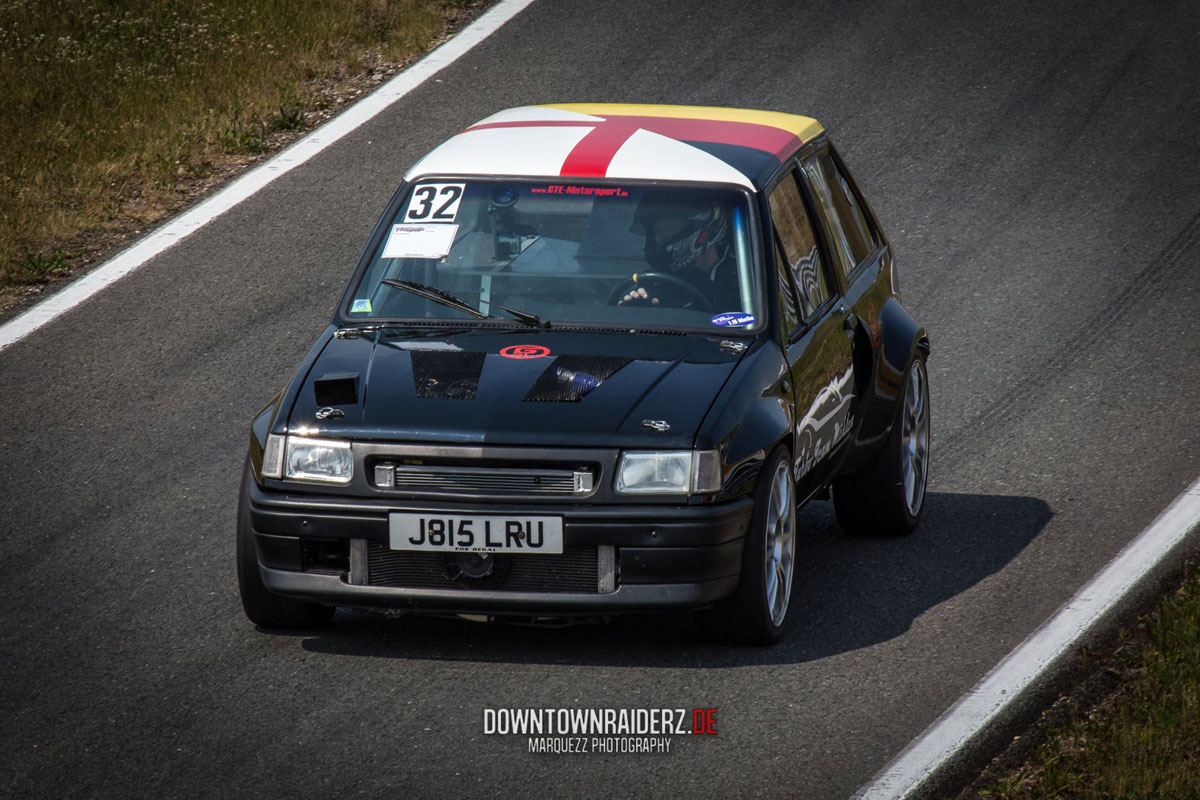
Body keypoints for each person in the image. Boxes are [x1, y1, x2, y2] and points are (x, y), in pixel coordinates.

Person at [617, 190, 740, 309]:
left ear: (704, 226)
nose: (659, 237)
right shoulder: (657, 282)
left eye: (670, 227)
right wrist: (640, 305)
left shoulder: (742, 279)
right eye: (656, 231)